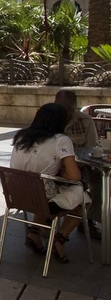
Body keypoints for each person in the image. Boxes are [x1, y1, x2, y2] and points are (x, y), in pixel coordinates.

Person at [10, 103, 91, 263]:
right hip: (43, 198)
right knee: (83, 198)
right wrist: (64, 172)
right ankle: (60, 239)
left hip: (17, 195)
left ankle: (34, 232)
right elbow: (74, 176)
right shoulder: (60, 140)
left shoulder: (21, 136)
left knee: (44, 188)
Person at [54, 89, 102, 239]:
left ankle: (89, 219)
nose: (65, 112)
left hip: (79, 165)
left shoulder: (85, 121)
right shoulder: (48, 117)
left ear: (75, 106)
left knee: (98, 180)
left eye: (69, 108)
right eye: (61, 108)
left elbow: (92, 148)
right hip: (53, 166)